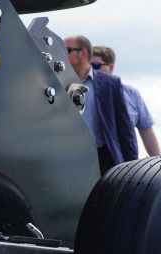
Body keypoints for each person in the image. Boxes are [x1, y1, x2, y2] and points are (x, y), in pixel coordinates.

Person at [64, 35, 138, 173]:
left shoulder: (110, 84)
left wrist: (133, 170)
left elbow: (125, 130)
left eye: (67, 50)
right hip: (69, 159)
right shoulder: (59, 83)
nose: (62, 54)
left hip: (105, 159)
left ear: (83, 53)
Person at [91, 46, 161, 157]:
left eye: (95, 66)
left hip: (124, 164)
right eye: (88, 67)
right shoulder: (81, 93)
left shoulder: (131, 94)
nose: (92, 71)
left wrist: (159, 164)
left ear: (110, 68)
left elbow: (146, 130)